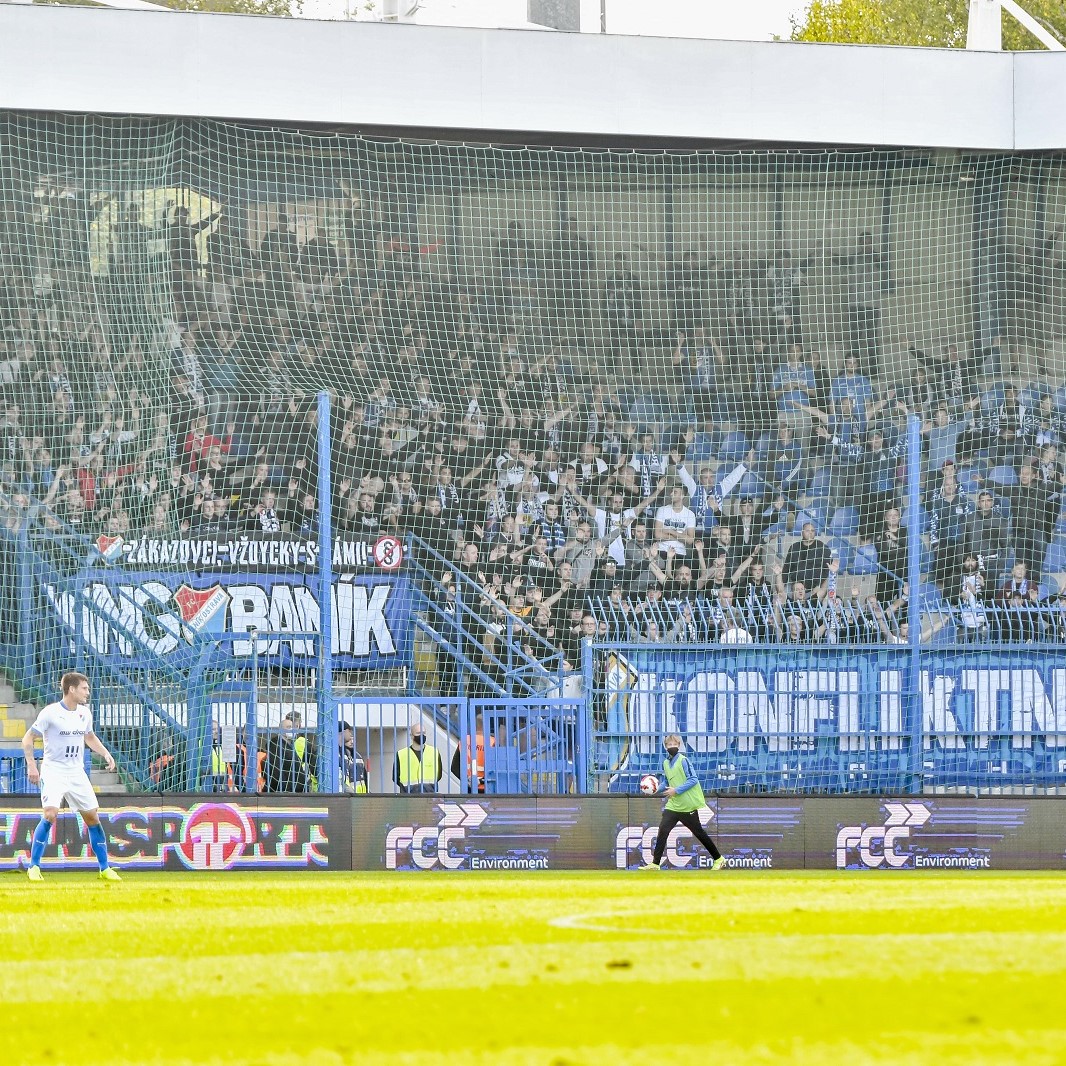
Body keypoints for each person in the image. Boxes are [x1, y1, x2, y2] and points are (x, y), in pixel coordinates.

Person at [20, 671, 122, 882]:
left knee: (92, 817)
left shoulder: (84, 713)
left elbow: (89, 736)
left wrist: (105, 753)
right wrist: (31, 764)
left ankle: (104, 869)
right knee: (50, 814)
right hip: (53, 770)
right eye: (84, 688)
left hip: (76, 772)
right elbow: (28, 737)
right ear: (72, 689)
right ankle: (34, 867)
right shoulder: (50, 712)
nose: (88, 692)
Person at [640, 733, 725, 871]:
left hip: (687, 806)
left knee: (699, 833)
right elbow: (667, 782)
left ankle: (719, 859)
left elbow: (693, 779)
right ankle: (655, 864)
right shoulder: (666, 763)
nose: (671, 747)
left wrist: (676, 791)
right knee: (663, 830)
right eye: (669, 745)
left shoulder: (683, 761)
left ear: (679, 746)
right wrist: (655, 789)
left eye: (674, 744)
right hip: (673, 805)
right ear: (665, 747)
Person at [393, 723, 444, 794]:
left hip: (430, 796)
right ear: (411, 736)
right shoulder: (401, 754)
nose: (421, 735)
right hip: (408, 797)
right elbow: (395, 777)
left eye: (423, 733)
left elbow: (439, 774)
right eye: (418, 733)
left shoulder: (434, 752)